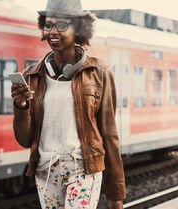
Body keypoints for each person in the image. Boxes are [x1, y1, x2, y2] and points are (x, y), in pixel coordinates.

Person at [11, 0, 125, 208]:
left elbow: (109, 134)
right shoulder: (31, 76)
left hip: (84, 167)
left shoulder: (99, 74)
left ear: (79, 29)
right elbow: (25, 140)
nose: (53, 31)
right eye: (48, 25)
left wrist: (116, 194)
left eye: (62, 25)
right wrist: (21, 108)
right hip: (46, 171)